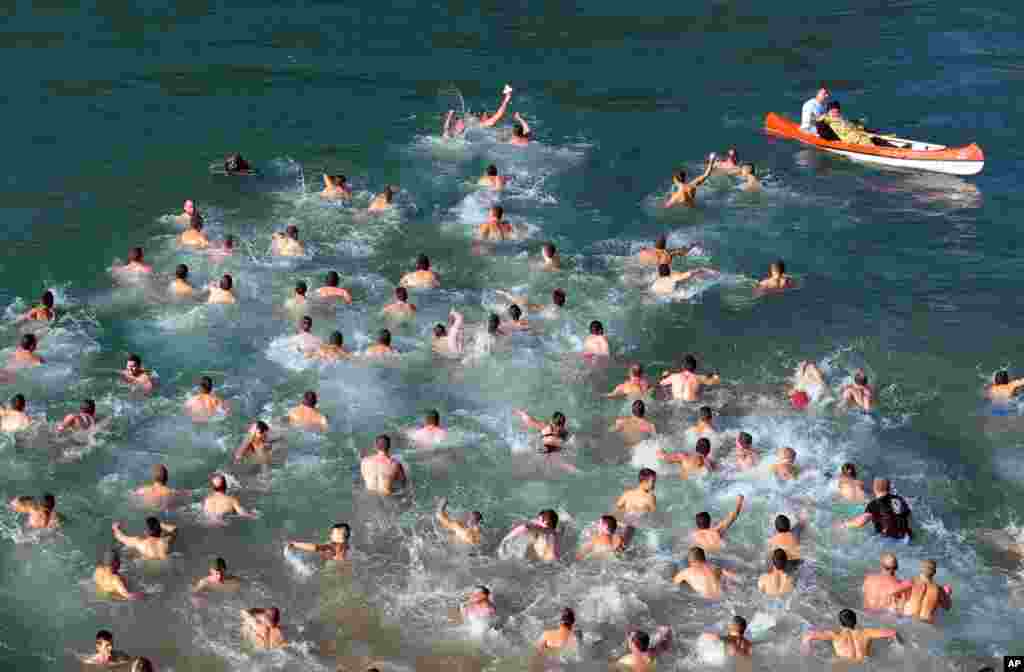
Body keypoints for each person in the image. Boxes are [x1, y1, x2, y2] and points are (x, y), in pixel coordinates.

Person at [801, 609, 899, 662]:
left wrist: (806, 651)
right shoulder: (867, 633)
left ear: (840, 623)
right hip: (865, 664)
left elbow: (808, 636)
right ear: (856, 621)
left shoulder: (836, 635)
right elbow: (893, 633)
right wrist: (899, 647)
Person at [845, 477, 913, 540]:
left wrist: (846, 524)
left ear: (874, 489)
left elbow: (860, 522)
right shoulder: (899, 499)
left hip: (889, 539)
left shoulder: (873, 504)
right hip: (907, 536)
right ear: (889, 488)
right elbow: (908, 515)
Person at [817, 100, 889, 146]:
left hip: (859, 135)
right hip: (852, 140)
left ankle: (896, 148)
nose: (835, 113)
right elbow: (823, 130)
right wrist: (836, 140)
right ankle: (890, 152)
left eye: (837, 111)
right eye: (833, 112)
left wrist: (859, 123)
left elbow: (850, 124)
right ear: (828, 112)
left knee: (876, 139)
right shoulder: (826, 120)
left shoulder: (842, 118)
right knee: (869, 142)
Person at [111, 516, 177, 560]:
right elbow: (175, 530)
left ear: (147, 531)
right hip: (165, 563)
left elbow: (121, 538)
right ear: (160, 529)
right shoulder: (166, 540)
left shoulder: (139, 542)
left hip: (147, 566)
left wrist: (115, 528)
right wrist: (161, 525)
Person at [287, 523, 351, 561]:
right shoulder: (347, 547)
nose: (330, 535)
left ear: (339, 536)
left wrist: (294, 544)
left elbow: (315, 547)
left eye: (332, 533)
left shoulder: (333, 546)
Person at [650, 263, 716, 295]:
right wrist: (703, 269)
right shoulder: (673, 277)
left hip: (655, 291)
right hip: (673, 294)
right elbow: (691, 272)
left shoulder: (656, 278)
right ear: (669, 271)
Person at [496, 288, 567, 317]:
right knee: (520, 301)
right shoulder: (557, 310)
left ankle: (505, 293)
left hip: (530, 309)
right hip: (534, 310)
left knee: (519, 301)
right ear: (563, 301)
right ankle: (506, 294)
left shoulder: (552, 308)